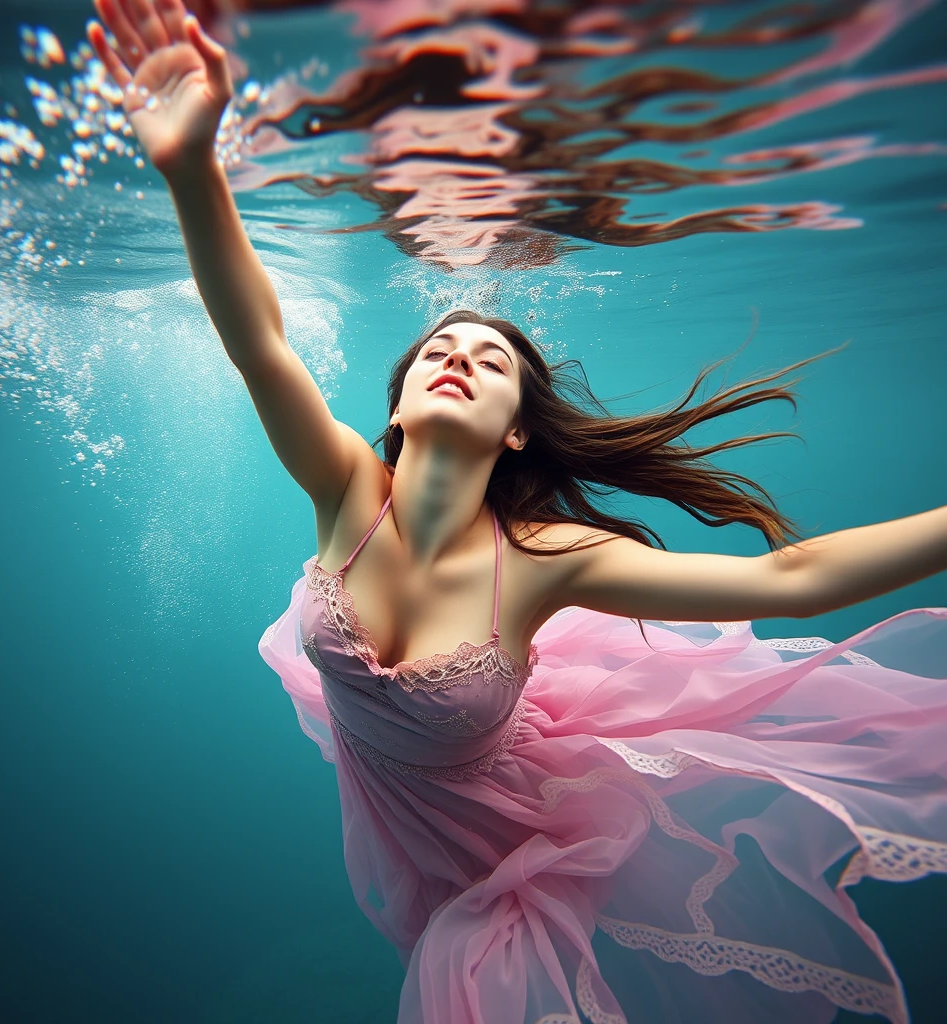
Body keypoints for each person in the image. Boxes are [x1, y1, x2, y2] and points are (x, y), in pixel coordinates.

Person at [87, 3, 947, 1022]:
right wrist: (192, 166)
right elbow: (257, 341)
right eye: (436, 354)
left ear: (515, 432)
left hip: (521, 840)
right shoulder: (345, 489)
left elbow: (788, 580)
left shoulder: (541, 559)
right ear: (398, 410)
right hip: (404, 801)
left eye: (488, 360)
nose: (456, 357)